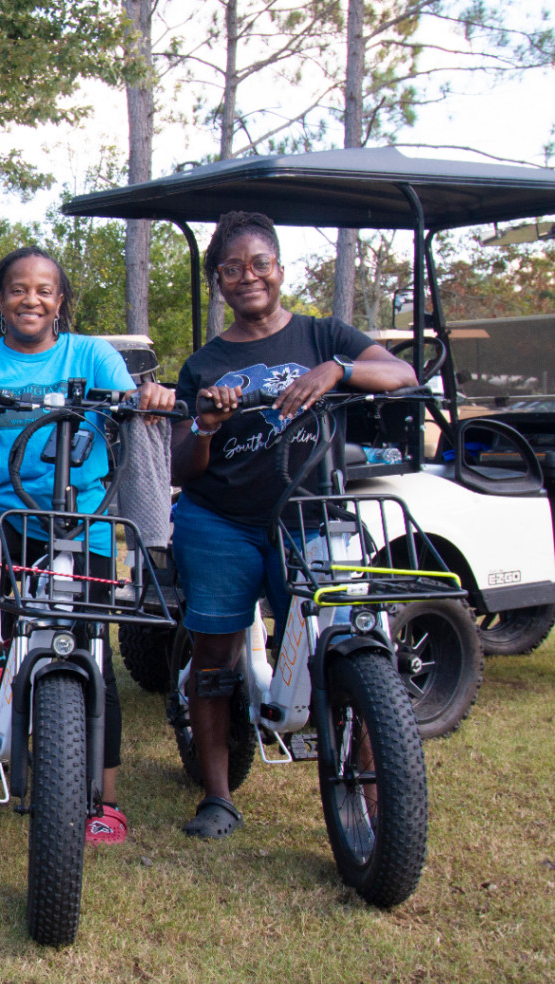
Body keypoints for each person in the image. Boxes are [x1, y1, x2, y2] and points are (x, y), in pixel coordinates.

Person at [0, 246, 177, 844]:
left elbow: (129, 406)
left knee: (92, 652)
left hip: (83, 523)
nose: (31, 299)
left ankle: (108, 799)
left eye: (44, 290)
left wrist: (149, 402)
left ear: (60, 301)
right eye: (18, 289)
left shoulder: (92, 354)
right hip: (1, 515)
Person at [170, 211, 416, 840]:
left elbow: (402, 375)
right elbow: (183, 469)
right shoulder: (205, 364)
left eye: (259, 264)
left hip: (311, 515)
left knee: (349, 644)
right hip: (221, 518)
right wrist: (205, 425)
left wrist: (338, 369)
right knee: (215, 653)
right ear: (218, 281)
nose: (247, 276)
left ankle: (380, 801)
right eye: (231, 268)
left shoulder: (322, 335)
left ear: (279, 270)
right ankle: (219, 796)